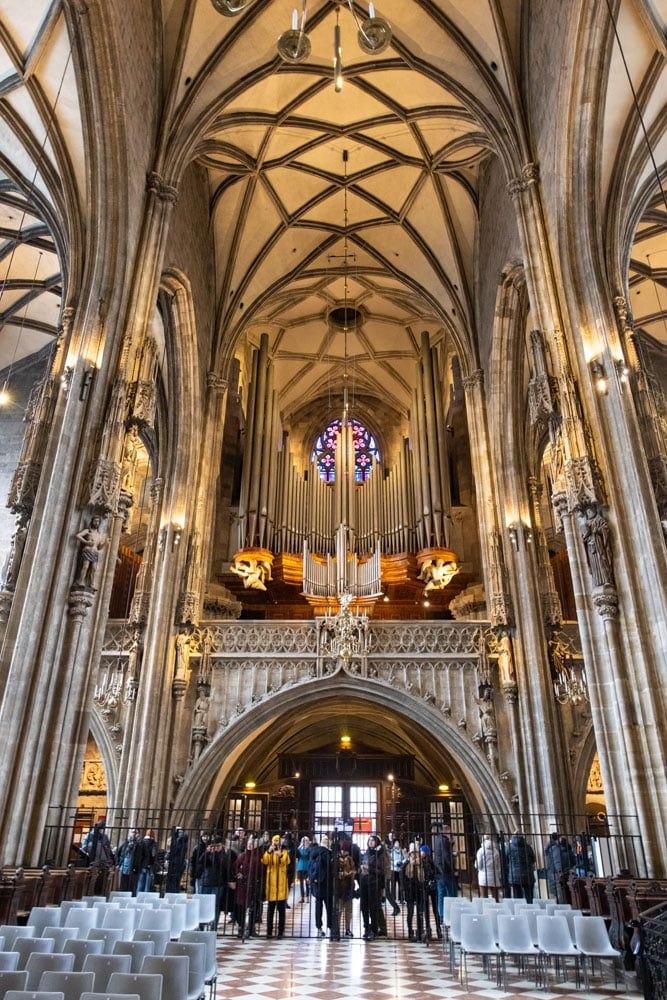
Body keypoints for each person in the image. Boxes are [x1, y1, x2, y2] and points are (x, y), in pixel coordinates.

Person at [234, 835, 264, 938]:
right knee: (241, 908)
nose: (250, 846)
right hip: (242, 886)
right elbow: (236, 868)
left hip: (254, 885)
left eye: (252, 844)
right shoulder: (242, 856)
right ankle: (241, 928)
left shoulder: (258, 857)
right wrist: (239, 874)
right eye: (249, 844)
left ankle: (251, 929)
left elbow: (261, 871)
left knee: (253, 908)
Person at [262, 835, 289, 937]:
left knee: (281, 910)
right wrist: (269, 851)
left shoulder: (284, 851)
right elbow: (265, 861)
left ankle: (280, 932)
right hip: (271, 882)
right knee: (270, 910)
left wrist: (280, 855)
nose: (276, 843)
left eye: (278, 841)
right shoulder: (269, 851)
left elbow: (286, 862)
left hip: (281, 881)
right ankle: (269, 931)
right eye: (275, 841)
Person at [310, 835, 335, 938]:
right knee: (329, 907)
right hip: (327, 883)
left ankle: (319, 927)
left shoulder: (314, 851)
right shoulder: (328, 853)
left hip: (317, 883)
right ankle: (330, 926)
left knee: (318, 907)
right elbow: (331, 867)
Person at [359, 834, 383, 941]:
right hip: (364, 882)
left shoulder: (379, 854)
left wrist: (370, 868)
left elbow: (380, 871)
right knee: (364, 906)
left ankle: (374, 929)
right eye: (369, 840)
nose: (370, 842)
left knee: (373, 907)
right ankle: (366, 928)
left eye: (373, 840)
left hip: (374, 883)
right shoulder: (366, 853)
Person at [432, 822, 458, 919]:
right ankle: (451, 915)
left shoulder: (437, 840)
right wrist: (453, 869)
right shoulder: (444, 841)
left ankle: (441, 915)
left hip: (439, 871)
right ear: (447, 832)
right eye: (450, 833)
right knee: (451, 894)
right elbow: (446, 857)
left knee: (441, 894)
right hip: (446, 871)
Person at [403, 842, 426, 942]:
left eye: (416, 853)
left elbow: (426, 876)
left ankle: (420, 931)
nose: (414, 855)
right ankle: (410, 932)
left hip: (419, 890)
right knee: (410, 912)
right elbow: (403, 880)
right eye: (412, 853)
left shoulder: (422, 864)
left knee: (420, 912)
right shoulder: (406, 865)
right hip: (410, 891)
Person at [506, 832, 536, 903]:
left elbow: (506, 860)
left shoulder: (509, 848)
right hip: (528, 874)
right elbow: (533, 859)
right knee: (529, 897)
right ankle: (530, 909)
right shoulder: (528, 847)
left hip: (515, 875)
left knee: (518, 898)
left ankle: (519, 912)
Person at [420, 844, 442, 939]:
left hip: (432, 887)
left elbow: (439, 873)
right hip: (425, 887)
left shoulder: (431, 862)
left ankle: (438, 929)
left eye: (422, 851)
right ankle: (428, 930)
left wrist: (433, 880)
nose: (420, 853)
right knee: (426, 910)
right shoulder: (420, 862)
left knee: (434, 909)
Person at [545, 833, 576, 901]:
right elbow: (573, 862)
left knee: (560, 893)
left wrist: (559, 871)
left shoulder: (555, 849)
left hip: (557, 873)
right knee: (565, 892)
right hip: (565, 873)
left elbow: (557, 862)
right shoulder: (567, 849)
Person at [336, 839, 356, 938]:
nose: (345, 852)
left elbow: (354, 870)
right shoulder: (337, 859)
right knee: (339, 910)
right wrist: (341, 874)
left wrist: (351, 873)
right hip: (339, 888)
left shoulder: (350, 859)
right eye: (343, 850)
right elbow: (334, 872)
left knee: (348, 910)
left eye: (346, 850)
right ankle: (337, 929)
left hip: (348, 887)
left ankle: (347, 929)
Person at [476, 834, 502, 901]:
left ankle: (485, 909)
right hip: (494, 874)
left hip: (483, 874)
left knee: (484, 896)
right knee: (495, 897)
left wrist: (478, 868)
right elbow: (498, 864)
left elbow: (479, 864)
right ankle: (496, 908)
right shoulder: (496, 851)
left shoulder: (481, 851)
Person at [116, 828, 141, 893]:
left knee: (132, 886)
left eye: (136, 832)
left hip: (134, 867)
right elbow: (118, 853)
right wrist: (118, 863)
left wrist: (141, 865)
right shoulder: (125, 843)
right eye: (132, 832)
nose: (134, 834)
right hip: (124, 866)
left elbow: (145, 856)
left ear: (138, 834)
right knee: (122, 885)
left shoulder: (140, 844)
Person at [166, 826, 189, 892]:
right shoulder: (180, 840)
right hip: (176, 862)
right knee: (175, 882)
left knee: (174, 881)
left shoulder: (180, 841)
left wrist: (168, 855)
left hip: (177, 863)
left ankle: (173, 894)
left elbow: (175, 850)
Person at [135, 829, 158, 893]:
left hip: (142, 865)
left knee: (140, 883)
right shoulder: (153, 844)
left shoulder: (141, 842)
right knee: (147, 885)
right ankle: (145, 898)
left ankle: (138, 897)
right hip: (150, 865)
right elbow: (153, 854)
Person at [389, 831, 406, 904]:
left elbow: (405, 858)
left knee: (401, 885)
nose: (397, 844)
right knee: (393, 885)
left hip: (400, 869)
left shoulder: (402, 851)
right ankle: (393, 899)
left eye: (398, 843)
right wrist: (395, 863)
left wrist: (402, 862)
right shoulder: (391, 851)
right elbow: (390, 859)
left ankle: (401, 899)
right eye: (396, 843)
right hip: (393, 869)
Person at [296, 835, 311, 903]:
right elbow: (297, 856)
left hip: (307, 867)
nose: (305, 842)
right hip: (300, 867)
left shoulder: (309, 849)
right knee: (301, 883)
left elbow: (309, 857)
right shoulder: (299, 849)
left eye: (306, 841)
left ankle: (307, 897)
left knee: (307, 883)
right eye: (304, 841)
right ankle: (302, 897)